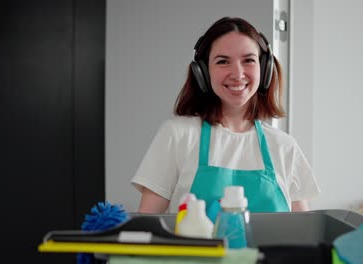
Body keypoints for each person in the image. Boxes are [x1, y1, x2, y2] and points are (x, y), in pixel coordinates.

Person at [131, 17, 320, 214]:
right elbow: (147, 224)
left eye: (248, 60)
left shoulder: (284, 146)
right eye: (223, 61)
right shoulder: (178, 135)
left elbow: (303, 232)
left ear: (265, 69)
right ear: (202, 72)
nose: (237, 74)